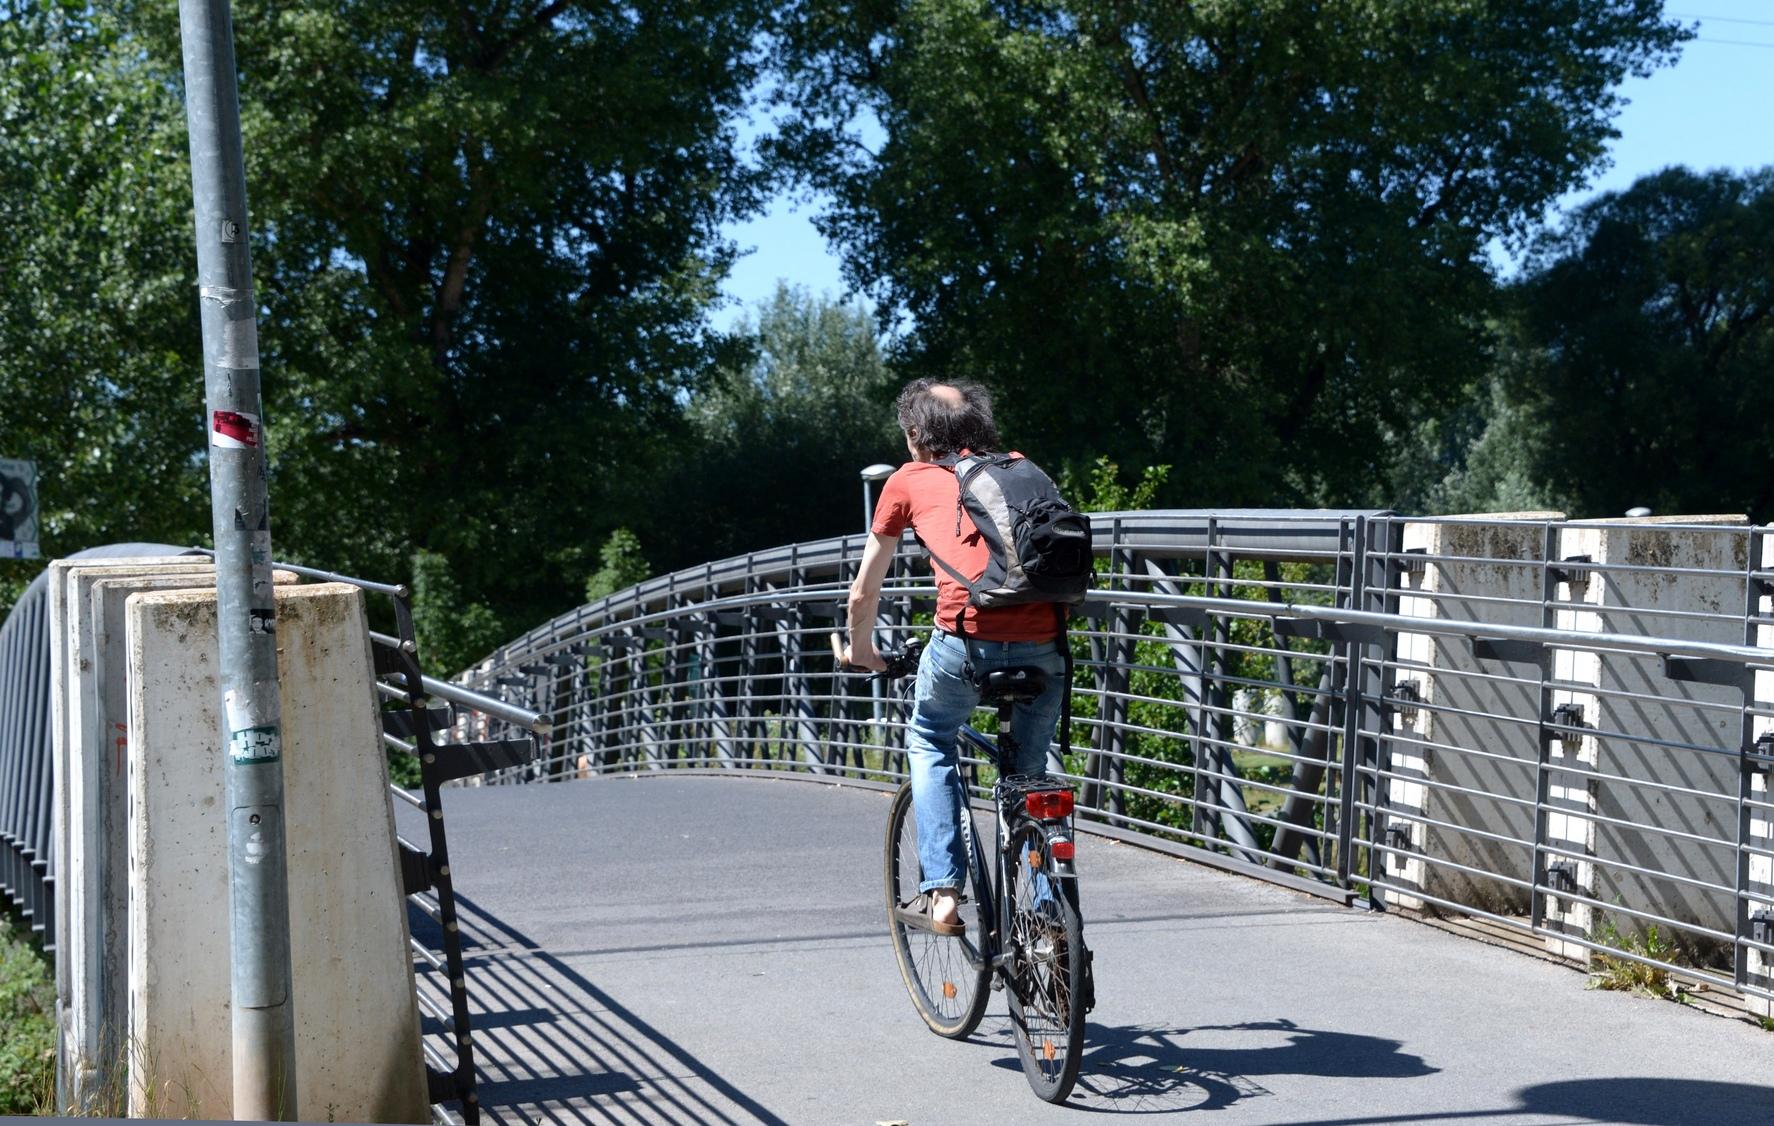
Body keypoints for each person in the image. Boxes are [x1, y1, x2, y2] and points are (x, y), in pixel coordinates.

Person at [839, 379, 1068, 934]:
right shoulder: (1022, 468)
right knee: (1029, 775)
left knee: (931, 737)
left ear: (917, 434)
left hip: (967, 642)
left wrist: (863, 651)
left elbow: (863, 592)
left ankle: (943, 891)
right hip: (1047, 646)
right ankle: (1043, 919)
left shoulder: (908, 480)